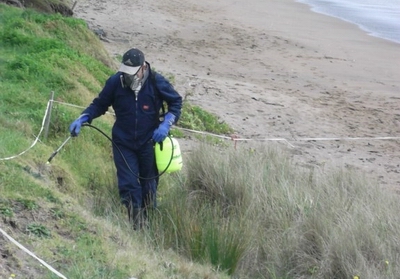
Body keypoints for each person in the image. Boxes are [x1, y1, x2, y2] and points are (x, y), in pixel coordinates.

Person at [69, 48, 182, 229]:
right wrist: (83, 118)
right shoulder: (115, 82)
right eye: (125, 71)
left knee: (149, 185)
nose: (128, 76)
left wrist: (166, 123)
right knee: (128, 184)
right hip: (123, 142)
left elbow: (176, 102)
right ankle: (136, 225)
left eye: (132, 72)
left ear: (143, 67)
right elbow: (99, 104)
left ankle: (148, 223)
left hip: (149, 142)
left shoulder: (156, 81)